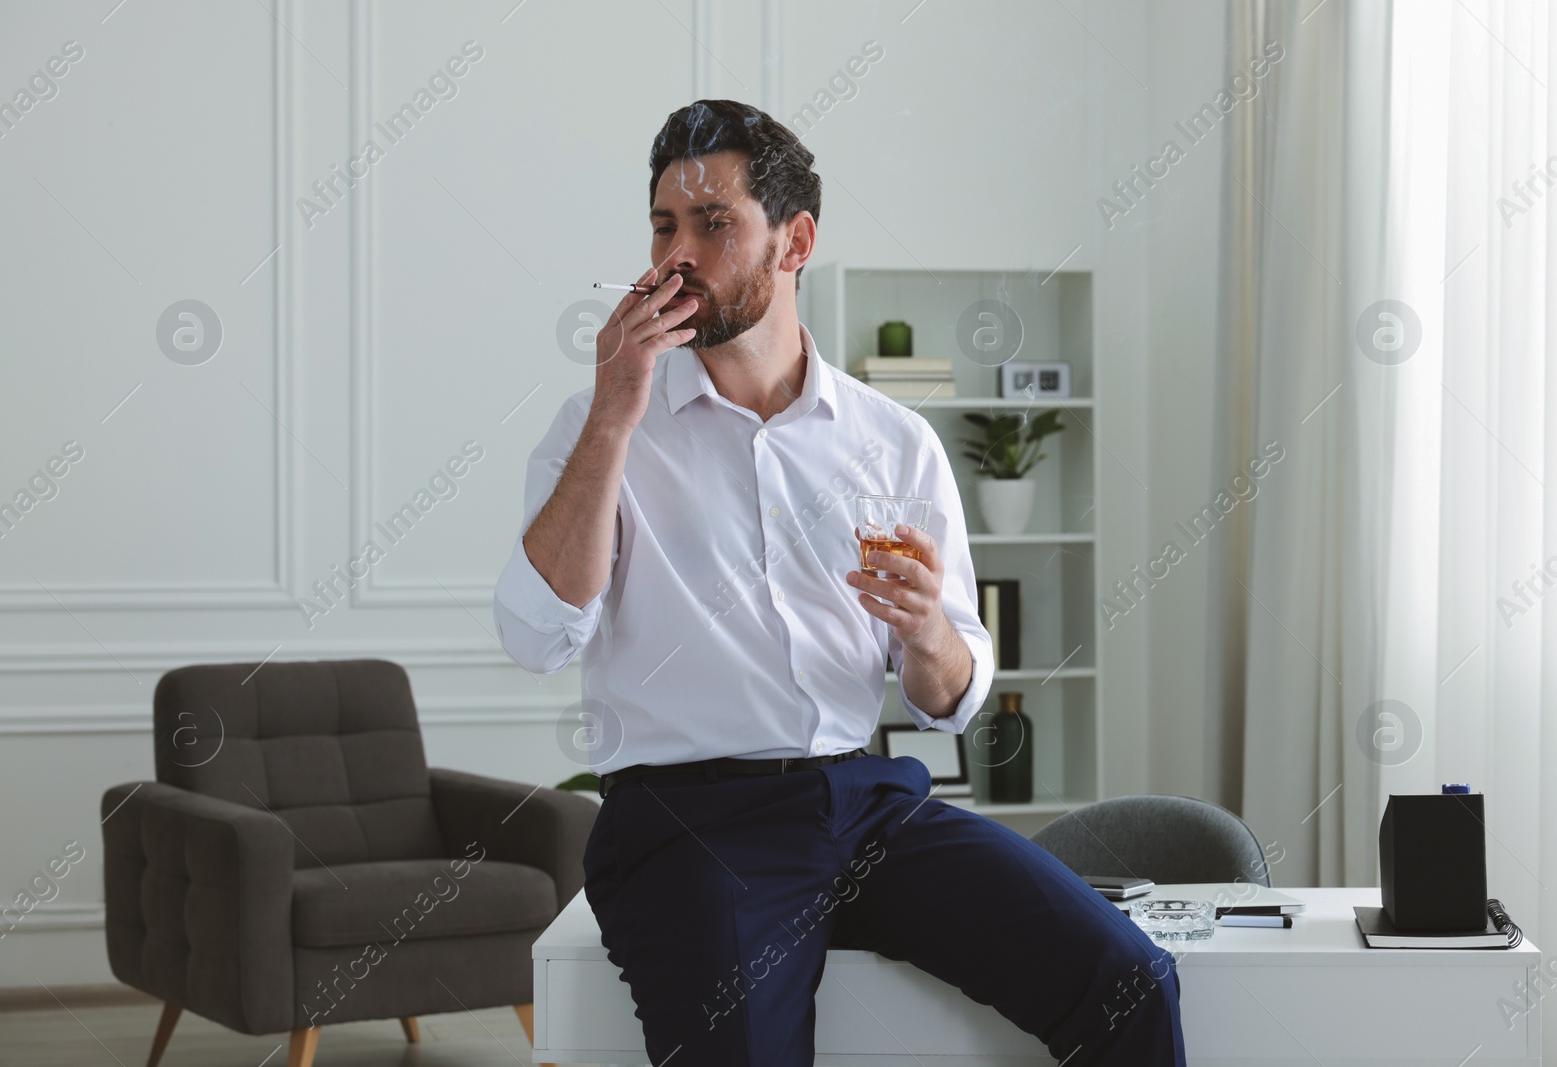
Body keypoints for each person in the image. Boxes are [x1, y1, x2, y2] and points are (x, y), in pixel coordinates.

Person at [493, 99, 1186, 1066]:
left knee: (1131, 984)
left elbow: (950, 698)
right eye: (663, 227)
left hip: (865, 806)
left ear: (795, 240)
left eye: (713, 224)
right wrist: (616, 410)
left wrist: (929, 634)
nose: (676, 254)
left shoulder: (893, 441)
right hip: (690, 825)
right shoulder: (597, 425)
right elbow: (533, 634)